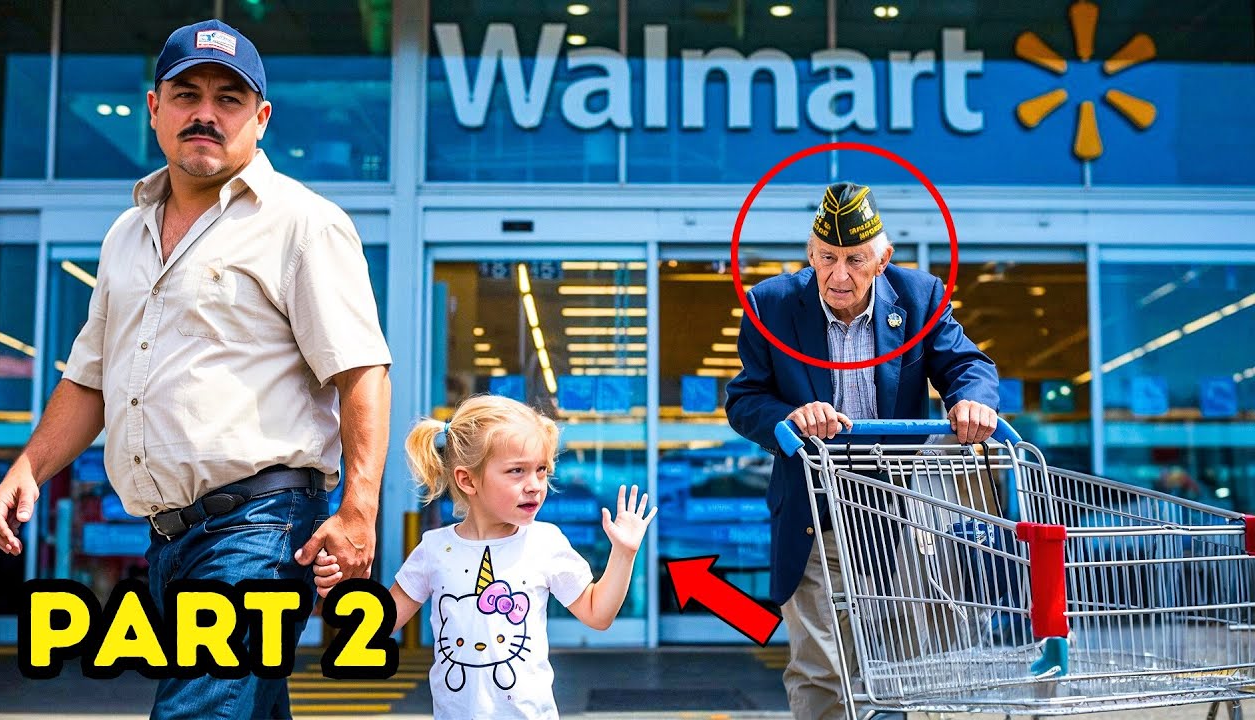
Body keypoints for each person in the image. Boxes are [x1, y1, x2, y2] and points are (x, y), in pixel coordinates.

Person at [0, 19, 391, 720]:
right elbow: (90, 377)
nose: (206, 112)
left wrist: (360, 510)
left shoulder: (301, 223)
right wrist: (30, 466)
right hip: (171, 542)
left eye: (229, 98)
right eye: (187, 93)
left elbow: (362, 373)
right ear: (154, 108)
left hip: (261, 529)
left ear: (260, 119)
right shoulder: (125, 233)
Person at [724, 182, 1000, 720]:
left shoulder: (919, 296)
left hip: (898, 512)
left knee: (914, 665)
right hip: (814, 510)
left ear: (883, 259)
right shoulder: (770, 305)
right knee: (821, 670)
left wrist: (970, 402)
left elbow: (968, 365)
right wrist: (788, 417)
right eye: (827, 258)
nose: (840, 275)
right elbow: (745, 398)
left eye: (855, 260)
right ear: (810, 254)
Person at [313, 394, 657, 720]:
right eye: (516, 471)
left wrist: (624, 554)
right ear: (468, 480)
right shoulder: (434, 550)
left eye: (541, 470)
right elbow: (379, 624)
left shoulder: (545, 542)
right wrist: (343, 592)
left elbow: (598, 614)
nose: (535, 484)